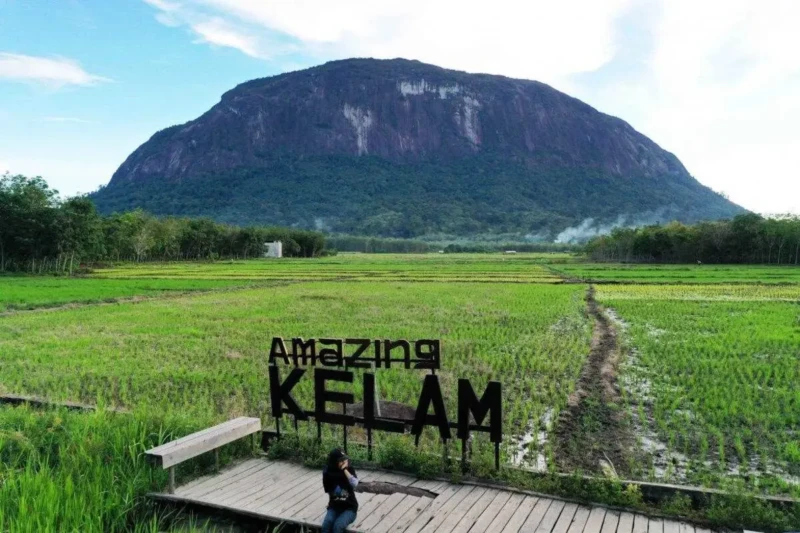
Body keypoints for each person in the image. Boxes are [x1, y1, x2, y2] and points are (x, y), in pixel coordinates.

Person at [321, 448, 359, 533]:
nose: (343, 462)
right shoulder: (327, 472)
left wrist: (344, 470)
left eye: (344, 459)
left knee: (337, 526)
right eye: (340, 460)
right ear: (334, 462)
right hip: (334, 506)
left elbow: (355, 484)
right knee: (326, 525)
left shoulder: (349, 469)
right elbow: (328, 489)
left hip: (350, 508)